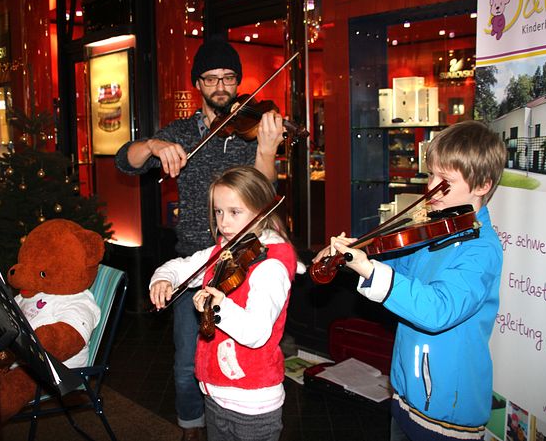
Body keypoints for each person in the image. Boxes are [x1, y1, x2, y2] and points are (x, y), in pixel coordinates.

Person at [115, 38, 284, 441]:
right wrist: (155, 144)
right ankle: (192, 427)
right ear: (198, 84)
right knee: (186, 361)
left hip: (244, 258)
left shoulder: (250, 129)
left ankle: (236, 422)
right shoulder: (181, 132)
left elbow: (265, 193)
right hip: (193, 261)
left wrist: (266, 149)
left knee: (240, 351)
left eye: (229, 78)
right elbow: (126, 159)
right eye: (212, 79)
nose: (221, 87)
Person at [316, 120, 507, 441]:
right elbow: (394, 267)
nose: (430, 187)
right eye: (430, 174)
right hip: (405, 396)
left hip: (447, 414)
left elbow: (438, 309)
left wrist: (370, 269)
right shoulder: (437, 230)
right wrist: (349, 255)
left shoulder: (482, 249)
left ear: (482, 185)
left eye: (444, 180)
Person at [150, 166, 299, 441]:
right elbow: (181, 266)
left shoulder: (271, 267)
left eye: (234, 212)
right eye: (218, 212)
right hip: (215, 394)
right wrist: (162, 279)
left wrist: (220, 307)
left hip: (253, 405)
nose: (224, 223)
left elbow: (256, 333)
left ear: (261, 211)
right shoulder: (223, 251)